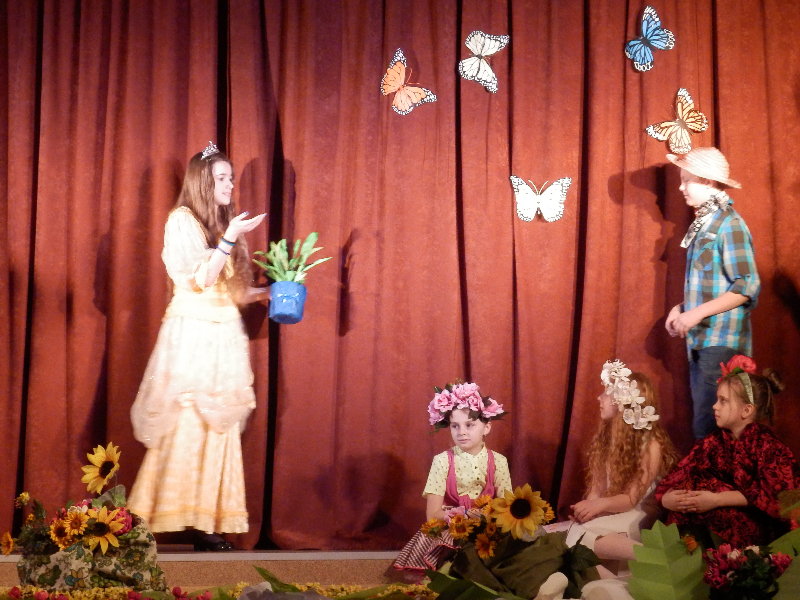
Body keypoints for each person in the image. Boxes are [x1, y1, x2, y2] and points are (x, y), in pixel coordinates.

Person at [128, 142, 268, 550]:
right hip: (192, 337)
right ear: (202, 183)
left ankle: (207, 522)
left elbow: (233, 292)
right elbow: (200, 280)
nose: (230, 184)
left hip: (223, 337)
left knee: (218, 425)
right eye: (221, 178)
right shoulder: (182, 222)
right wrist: (229, 238)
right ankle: (148, 519)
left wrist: (272, 292)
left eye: (231, 178)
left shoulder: (223, 224)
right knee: (187, 421)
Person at [664, 147, 760, 439]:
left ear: (707, 182)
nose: (681, 187)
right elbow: (712, 284)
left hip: (722, 344)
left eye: (687, 180)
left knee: (711, 430)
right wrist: (682, 309)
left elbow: (746, 285)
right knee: (704, 428)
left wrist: (696, 313)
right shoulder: (706, 224)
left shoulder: (730, 224)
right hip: (702, 341)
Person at [656, 355, 800, 547]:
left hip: (753, 527)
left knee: (720, 515)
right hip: (707, 516)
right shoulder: (713, 442)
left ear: (746, 410)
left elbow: (779, 497)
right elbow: (683, 472)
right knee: (686, 506)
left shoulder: (770, 447)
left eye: (723, 401)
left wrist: (717, 499)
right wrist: (668, 498)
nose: (715, 406)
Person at [558, 360, 679, 563]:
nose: (599, 398)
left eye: (606, 393)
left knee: (579, 537)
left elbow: (631, 499)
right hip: (613, 512)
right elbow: (596, 490)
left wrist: (600, 505)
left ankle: (660, 561)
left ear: (623, 400)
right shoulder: (605, 440)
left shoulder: (650, 444)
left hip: (639, 515)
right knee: (572, 534)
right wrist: (588, 510)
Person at [392, 382, 511, 571]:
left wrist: (484, 517)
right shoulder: (442, 461)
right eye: (455, 426)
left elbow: (506, 507)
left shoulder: (499, 461)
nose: (461, 432)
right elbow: (433, 514)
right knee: (448, 551)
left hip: (487, 525)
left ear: (487, 427)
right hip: (452, 527)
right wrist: (462, 515)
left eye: (470, 425)